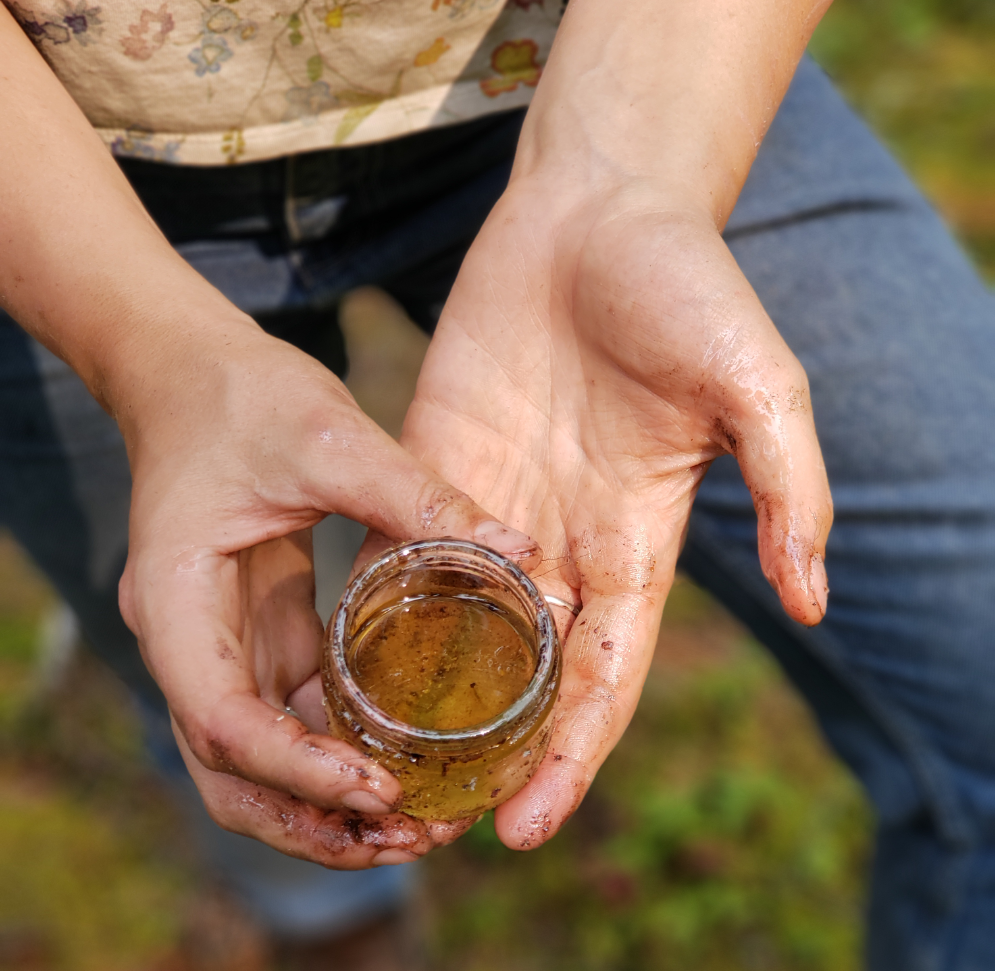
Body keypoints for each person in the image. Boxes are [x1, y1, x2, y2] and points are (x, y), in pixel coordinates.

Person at [1, 1, 993, 968]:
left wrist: (629, 178)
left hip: (610, 71)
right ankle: (328, 915)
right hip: (60, 179)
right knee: (222, 668)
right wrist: (144, 351)